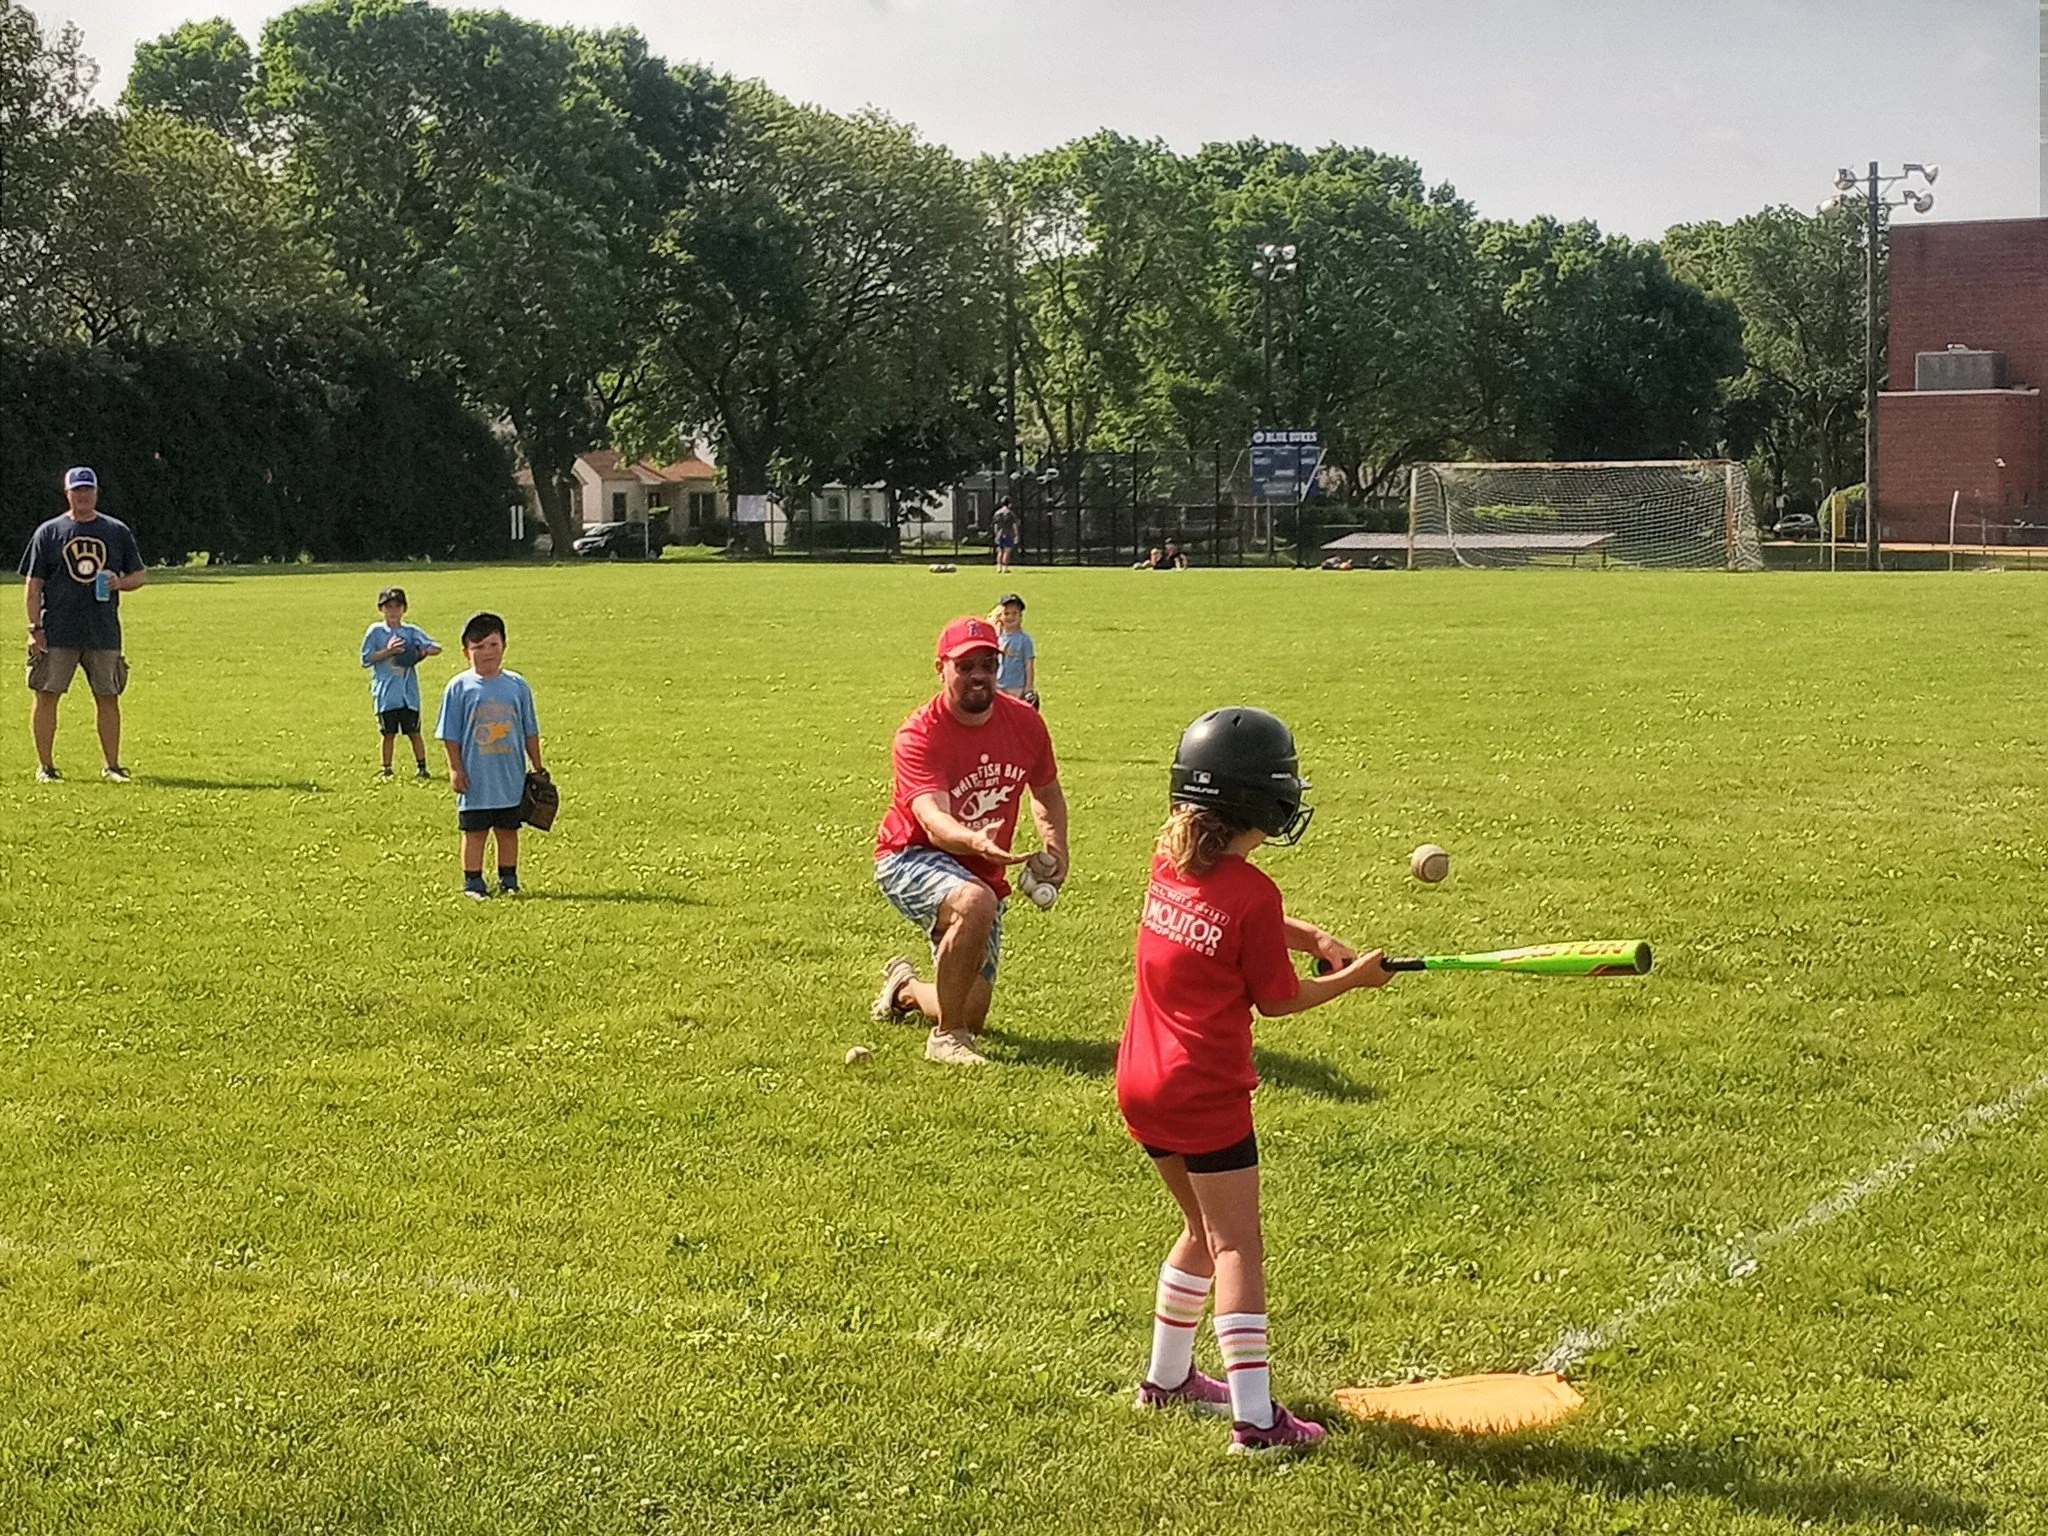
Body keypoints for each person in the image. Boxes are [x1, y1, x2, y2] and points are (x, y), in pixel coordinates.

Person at [1116, 706, 1391, 1454]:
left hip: (1141, 1081)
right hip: (1204, 1094)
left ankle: (1166, 1381)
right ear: (1261, 802)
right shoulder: (1254, 895)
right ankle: (1257, 1421)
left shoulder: (1168, 856)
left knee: (1200, 1232)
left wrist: (1312, 936)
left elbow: (1233, 910)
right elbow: (1278, 999)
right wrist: (1354, 980)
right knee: (1237, 1245)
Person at [871, 615, 1068, 1066]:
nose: (979, 675)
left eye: (988, 664)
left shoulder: (1025, 724)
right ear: (941, 668)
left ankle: (905, 991)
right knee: (974, 900)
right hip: (910, 854)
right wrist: (975, 842)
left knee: (972, 1007)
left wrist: (1056, 850)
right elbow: (931, 816)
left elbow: (1047, 793)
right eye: (965, 666)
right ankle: (946, 1039)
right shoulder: (919, 733)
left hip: (980, 866)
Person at [20, 466, 146, 783]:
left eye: (88, 489)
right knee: (47, 695)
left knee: (108, 697)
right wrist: (35, 629)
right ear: (67, 493)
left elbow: (139, 576)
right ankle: (45, 767)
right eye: (77, 490)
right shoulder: (48, 533)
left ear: (96, 492)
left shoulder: (116, 531)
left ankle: (112, 766)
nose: (83, 495)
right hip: (57, 632)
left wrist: (119, 583)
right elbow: (33, 586)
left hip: (102, 631)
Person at [435, 611, 543, 899]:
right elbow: (450, 734)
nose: (487, 653)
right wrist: (455, 769)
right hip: (476, 776)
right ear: (465, 652)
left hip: (509, 774)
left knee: (508, 829)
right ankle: (473, 881)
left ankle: (508, 878)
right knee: (475, 831)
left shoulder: (517, 685)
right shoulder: (459, 687)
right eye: (478, 647)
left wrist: (537, 766)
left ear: (504, 646)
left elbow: (529, 729)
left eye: (493, 645)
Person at [360, 586, 441, 779]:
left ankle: (422, 768)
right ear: (381, 609)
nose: (393, 611)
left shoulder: (411, 632)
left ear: (404, 609)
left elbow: (436, 647)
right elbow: (365, 659)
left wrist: (419, 652)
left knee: (414, 731)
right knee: (387, 733)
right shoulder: (375, 631)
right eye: (388, 607)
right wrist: (388, 651)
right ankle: (386, 768)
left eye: (397, 606)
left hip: (408, 695)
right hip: (386, 694)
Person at [990, 592, 1036, 706]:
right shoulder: (996, 637)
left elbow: (1028, 664)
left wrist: (1029, 687)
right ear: (1000, 616)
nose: (1010, 617)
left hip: (1016, 686)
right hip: (998, 684)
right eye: (1006, 613)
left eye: (1014, 613)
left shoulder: (1024, 639)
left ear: (1020, 616)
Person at [992, 497, 1020, 574]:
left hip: (999, 534)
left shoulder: (997, 513)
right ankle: (1005, 568)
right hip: (1008, 533)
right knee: (1007, 551)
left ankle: (999, 567)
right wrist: (1016, 535)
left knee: (1000, 551)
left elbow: (995, 525)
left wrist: (996, 534)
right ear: (1009, 504)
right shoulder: (1010, 513)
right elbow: (1014, 525)